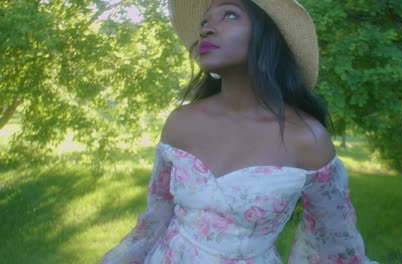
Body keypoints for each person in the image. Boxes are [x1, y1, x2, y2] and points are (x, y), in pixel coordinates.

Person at [101, 0, 378, 263]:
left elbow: (334, 245)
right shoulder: (180, 123)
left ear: (267, 34)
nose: (206, 28)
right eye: (204, 20)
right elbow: (155, 219)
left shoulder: (307, 140)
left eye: (229, 14)